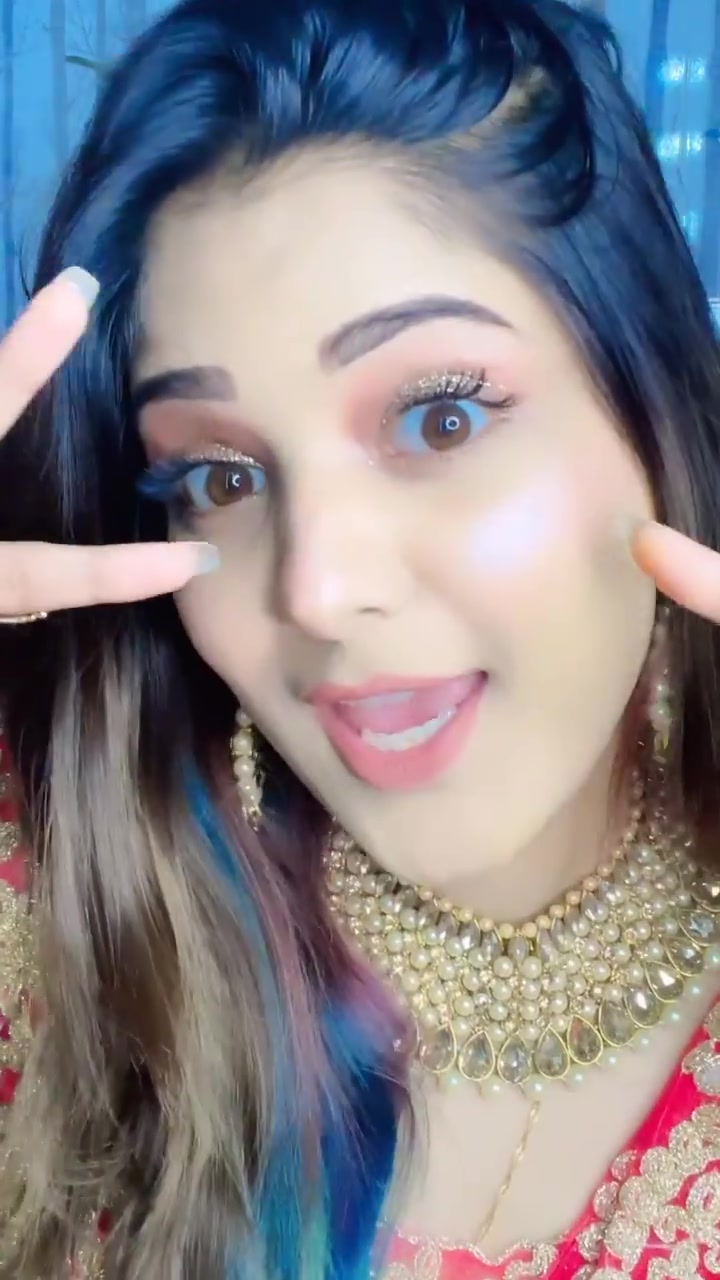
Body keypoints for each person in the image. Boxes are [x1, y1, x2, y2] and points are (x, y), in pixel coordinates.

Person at [0, 0, 719, 1274]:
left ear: (650, 412)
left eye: (441, 419)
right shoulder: (61, 893)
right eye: (217, 476)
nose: (318, 589)